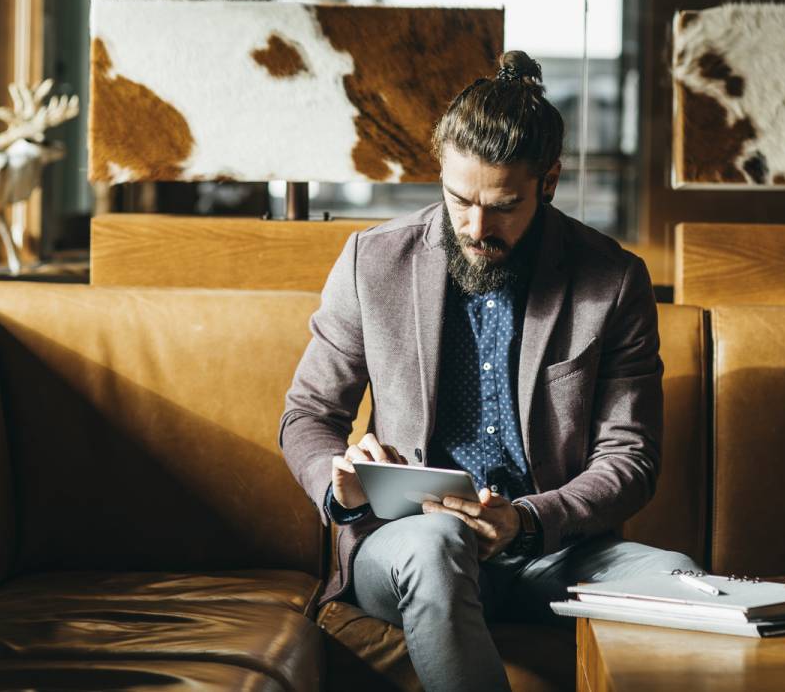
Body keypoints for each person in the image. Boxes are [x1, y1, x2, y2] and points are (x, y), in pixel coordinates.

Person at [279, 50, 700, 692]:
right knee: (435, 546)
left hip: (553, 551)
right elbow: (307, 415)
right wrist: (341, 484)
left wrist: (527, 520)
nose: (478, 227)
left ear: (549, 181)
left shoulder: (612, 281)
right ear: (440, 171)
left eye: (504, 205)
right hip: (407, 544)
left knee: (677, 575)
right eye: (460, 200)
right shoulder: (372, 262)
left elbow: (630, 459)